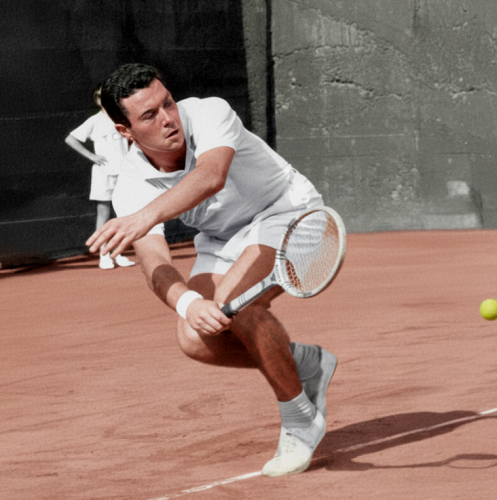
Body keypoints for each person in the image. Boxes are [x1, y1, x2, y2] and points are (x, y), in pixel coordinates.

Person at [85, 64, 338, 477]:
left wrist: (144, 217)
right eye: (149, 115)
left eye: (167, 103)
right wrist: (187, 303)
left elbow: (211, 176)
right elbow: (154, 261)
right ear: (124, 131)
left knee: (238, 302)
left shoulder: (208, 112)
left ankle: (300, 419)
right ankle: (306, 363)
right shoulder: (130, 183)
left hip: (289, 213)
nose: (168, 118)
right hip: (224, 239)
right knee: (194, 337)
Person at [65, 87, 136, 270]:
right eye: (100, 97)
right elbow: (71, 139)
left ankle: (118, 253)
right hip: (104, 173)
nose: (104, 100)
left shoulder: (121, 118)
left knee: (122, 213)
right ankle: (104, 255)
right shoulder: (94, 121)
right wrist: (91, 156)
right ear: (97, 100)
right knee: (103, 213)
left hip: (124, 173)